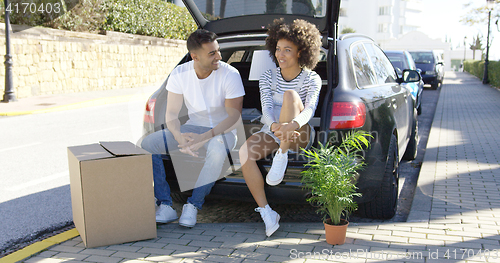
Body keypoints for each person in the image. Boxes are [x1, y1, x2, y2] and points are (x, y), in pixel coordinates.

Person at [141, 29, 245, 228]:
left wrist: (205, 138)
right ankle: (165, 205)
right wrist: (179, 137)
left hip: (223, 131)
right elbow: (171, 113)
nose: (219, 57)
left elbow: (234, 117)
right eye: (212, 53)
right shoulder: (180, 73)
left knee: (215, 151)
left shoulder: (230, 74)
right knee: (147, 144)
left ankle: (193, 205)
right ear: (194, 56)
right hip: (191, 128)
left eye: (218, 51)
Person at [239, 18, 322, 237]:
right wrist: (275, 125)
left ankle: (282, 155)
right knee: (245, 152)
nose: (280, 55)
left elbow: (310, 110)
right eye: (277, 49)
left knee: (290, 95)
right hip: (274, 130)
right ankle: (267, 212)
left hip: (300, 133)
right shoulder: (268, 76)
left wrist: (291, 125)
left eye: (287, 49)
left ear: (300, 52)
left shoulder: (312, 78)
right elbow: (266, 108)